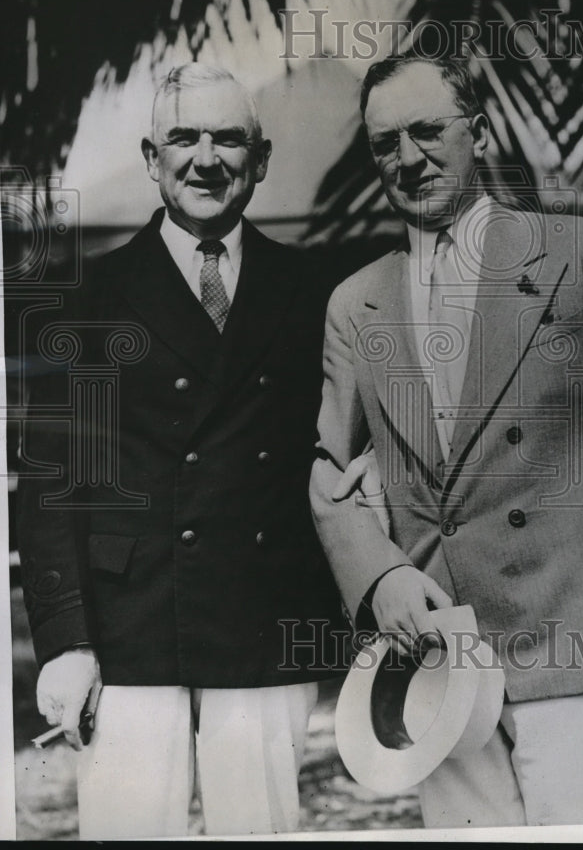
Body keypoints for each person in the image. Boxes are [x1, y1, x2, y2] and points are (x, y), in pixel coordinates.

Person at [309, 53, 583, 827]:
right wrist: (379, 578)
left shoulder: (578, 251)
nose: (409, 158)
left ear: (480, 133)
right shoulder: (357, 303)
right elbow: (330, 469)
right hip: (442, 650)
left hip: (573, 626)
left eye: (428, 131)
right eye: (386, 144)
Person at [16, 63, 343, 838]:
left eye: (228, 139)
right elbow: (52, 487)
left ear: (260, 160)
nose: (206, 159)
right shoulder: (92, 298)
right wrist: (66, 640)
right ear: (150, 157)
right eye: (183, 138)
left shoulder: (313, 289)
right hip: (128, 632)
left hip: (263, 629)